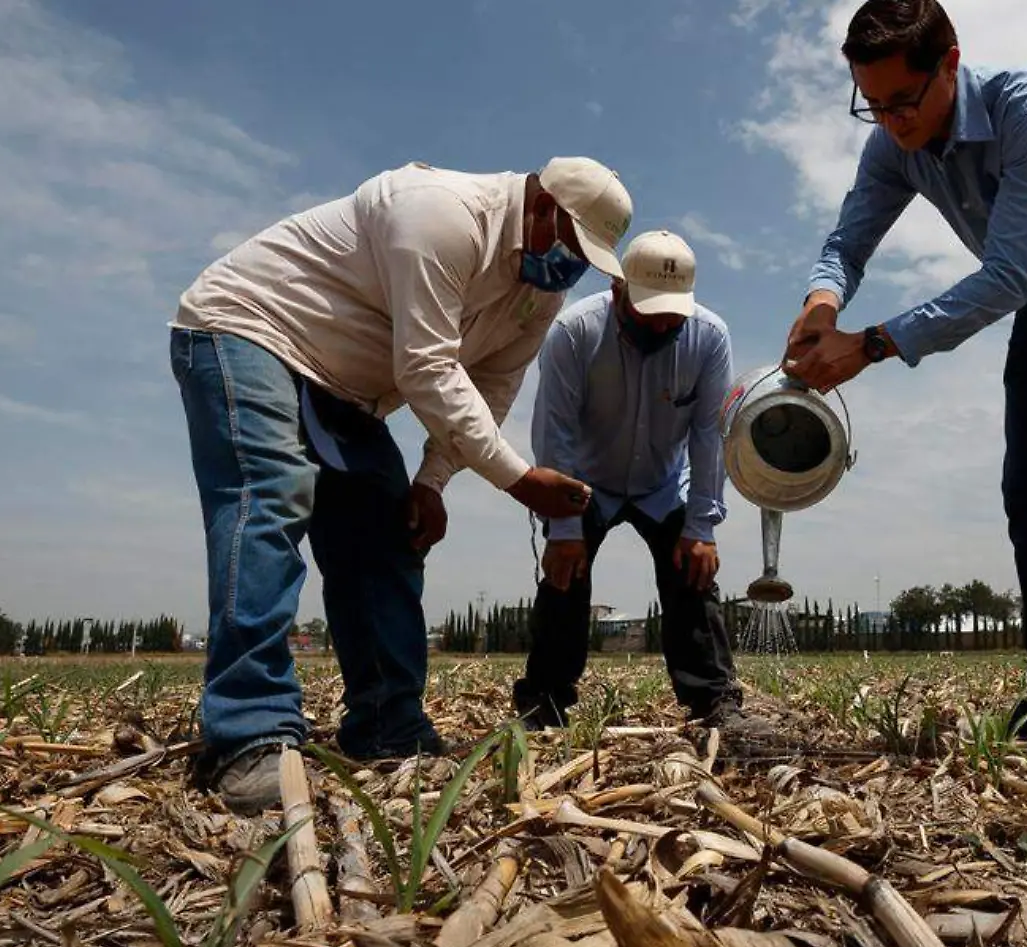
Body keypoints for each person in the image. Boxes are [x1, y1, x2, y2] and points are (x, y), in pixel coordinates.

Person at [168, 157, 632, 815]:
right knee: (270, 499)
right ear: (541, 204)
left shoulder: (537, 297)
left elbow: (491, 388)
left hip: (346, 387)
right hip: (250, 329)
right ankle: (248, 733)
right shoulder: (440, 214)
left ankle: (387, 725)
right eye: (571, 245)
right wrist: (519, 479)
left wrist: (433, 482)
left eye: (587, 259)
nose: (571, 267)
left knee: (386, 534)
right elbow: (426, 368)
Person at [781, 0, 1027, 749]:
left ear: (950, 62)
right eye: (873, 104)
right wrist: (823, 303)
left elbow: (1005, 278)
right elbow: (850, 237)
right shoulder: (894, 144)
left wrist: (871, 345)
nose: (892, 121)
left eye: (904, 100)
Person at [513, 230, 768, 736]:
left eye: (674, 314)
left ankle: (714, 699)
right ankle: (544, 703)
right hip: (582, 480)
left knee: (691, 575)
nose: (664, 324)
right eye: (650, 311)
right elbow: (554, 432)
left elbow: (708, 436)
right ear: (617, 291)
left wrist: (702, 526)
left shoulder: (709, 337)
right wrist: (563, 530)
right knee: (565, 577)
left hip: (663, 482)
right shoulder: (574, 333)